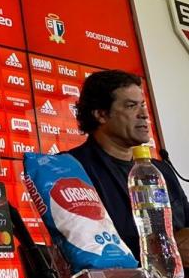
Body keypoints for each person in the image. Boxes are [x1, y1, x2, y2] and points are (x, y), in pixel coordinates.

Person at [67, 69, 189, 265]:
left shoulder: (162, 169)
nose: (144, 115)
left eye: (143, 105)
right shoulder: (71, 168)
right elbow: (89, 247)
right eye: (132, 106)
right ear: (101, 114)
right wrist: (167, 249)